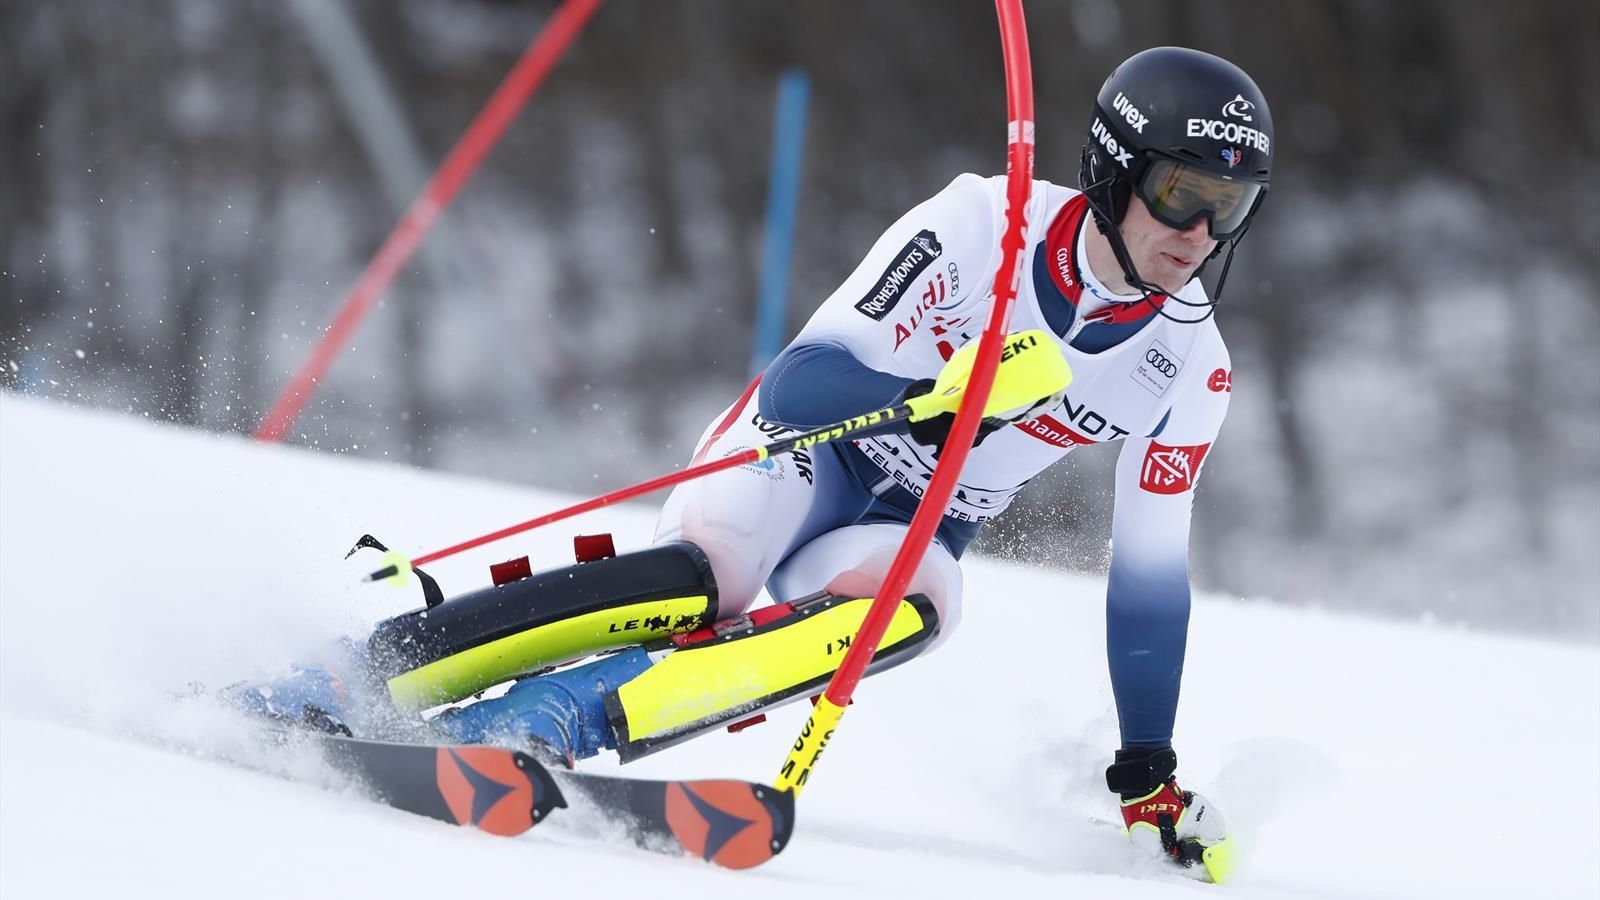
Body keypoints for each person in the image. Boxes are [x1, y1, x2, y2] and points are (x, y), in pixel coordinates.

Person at [232, 46, 1271, 883]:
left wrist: (1146, 771)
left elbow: (1147, 579)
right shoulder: (977, 226)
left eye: (1229, 206)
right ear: (1113, 168)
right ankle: (363, 669)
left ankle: (541, 723)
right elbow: (803, 383)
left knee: (912, 610)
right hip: (803, 456)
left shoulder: (1192, 369)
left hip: (908, 524)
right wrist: (939, 396)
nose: (1197, 232)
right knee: (713, 581)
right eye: (1180, 193)